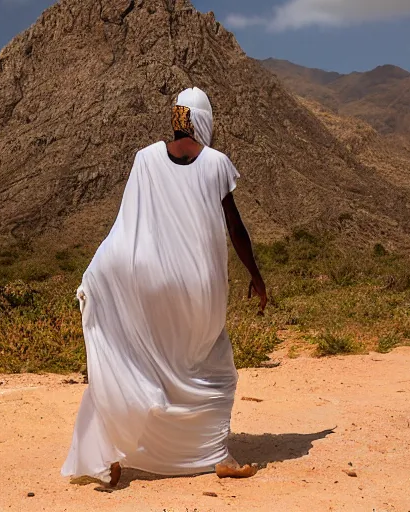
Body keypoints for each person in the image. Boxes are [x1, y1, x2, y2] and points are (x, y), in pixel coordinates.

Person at [61, 87, 267, 490]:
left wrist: (97, 275)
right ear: (203, 120)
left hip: (147, 282)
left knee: (142, 363)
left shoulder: (144, 159)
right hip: (198, 289)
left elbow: (126, 227)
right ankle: (216, 457)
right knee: (213, 369)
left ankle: (112, 453)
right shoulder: (216, 163)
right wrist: (256, 276)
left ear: (175, 119)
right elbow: (235, 228)